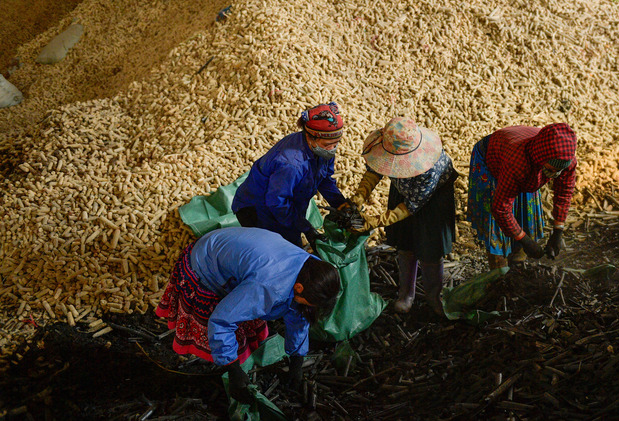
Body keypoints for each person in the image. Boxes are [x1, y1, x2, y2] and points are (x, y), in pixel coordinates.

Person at [155, 227, 341, 405]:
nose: (307, 307)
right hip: (206, 262)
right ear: (299, 288)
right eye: (308, 302)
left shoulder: (312, 269)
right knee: (228, 319)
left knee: (256, 307)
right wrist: (233, 369)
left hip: (232, 250)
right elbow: (221, 320)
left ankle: (233, 356)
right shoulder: (268, 287)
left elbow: (299, 314)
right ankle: (219, 365)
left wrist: (297, 361)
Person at [349, 116, 456, 316]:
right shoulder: (385, 143)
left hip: (432, 202)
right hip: (403, 191)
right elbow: (375, 170)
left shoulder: (429, 168)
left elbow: (410, 206)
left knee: (429, 250)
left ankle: (434, 296)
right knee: (405, 244)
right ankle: (406, 294)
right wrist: (360, 194)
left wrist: (375, 222)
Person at [232, 102, 347, 248]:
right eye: (327, 145)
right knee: (280, 251)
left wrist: (340, 204)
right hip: (260, 209)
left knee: (292, 241)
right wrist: (306, 228)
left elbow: (325, 180)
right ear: (311, 137)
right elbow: (277, 203)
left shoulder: (322, 150)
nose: (331, 149)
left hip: (284, 204)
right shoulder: (292, 164)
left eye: (335, 143)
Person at [466, 123, 577, 269]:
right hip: (491, 157)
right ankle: (499, 269)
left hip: (521, 156)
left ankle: (518, 262)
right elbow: (500, 209)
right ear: (541, 160)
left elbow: (564, 191)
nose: (555, 174)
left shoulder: (565, 159)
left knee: (526, 213)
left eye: (559, 171)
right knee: (496, 224)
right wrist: (525, 241)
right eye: (551, 169)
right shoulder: (518, 162)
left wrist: (558, 231)